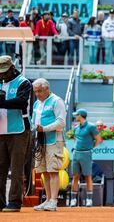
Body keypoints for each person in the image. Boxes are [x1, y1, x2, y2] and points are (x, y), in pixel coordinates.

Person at [0, 56, 32, 212]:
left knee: (17, 168)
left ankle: (14, 202)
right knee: (0, 168)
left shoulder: (23, 82)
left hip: (19, 130)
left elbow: (22, 102)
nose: (2, 75)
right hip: (1, 131)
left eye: (5, 72)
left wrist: (2, 102)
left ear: (12, 68)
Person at [31, 78, 66, 212]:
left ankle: (54, 201)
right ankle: (47, 200)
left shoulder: (57, 101)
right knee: (44, 172)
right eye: (35, 92)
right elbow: (34, 121)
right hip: (40, 141)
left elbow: (61, 122)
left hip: (54, 140)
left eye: (40, 91)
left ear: (47, 89)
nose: (37, 94)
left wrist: (44, 128)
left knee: (53, 171)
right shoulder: (36, 104)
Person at [70, 109, 103, 207]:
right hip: (76, 154)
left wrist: (91, 148)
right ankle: (73, 200)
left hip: (86, 154)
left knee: (88, 176)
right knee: (75, 177)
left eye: (76, 115)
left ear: (81, 116)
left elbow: (98, 139)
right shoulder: (76, 128)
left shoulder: (91, 126)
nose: (75, 117)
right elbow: (75, 139)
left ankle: (89, 200)